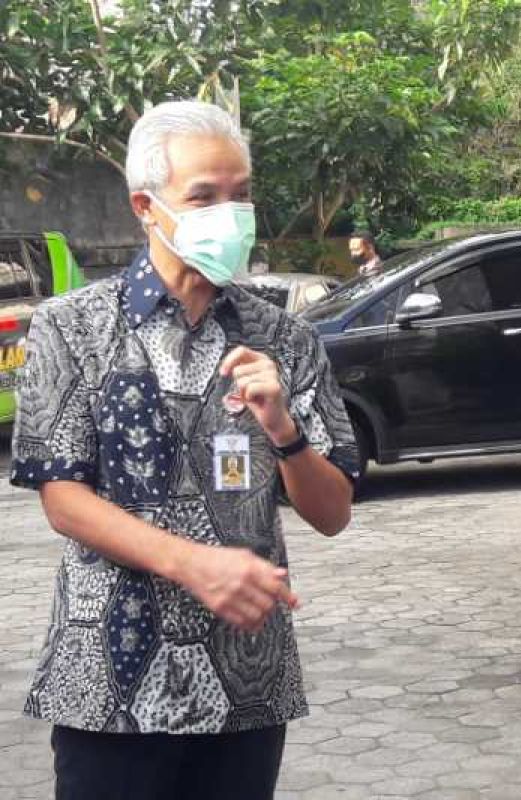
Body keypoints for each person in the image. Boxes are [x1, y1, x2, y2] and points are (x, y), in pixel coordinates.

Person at [10, 101, 360, 800]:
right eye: (203, 196)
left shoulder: (283, 337)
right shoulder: (70, 328)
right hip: (108, 677)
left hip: (246, 681)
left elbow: (332, 511)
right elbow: (63, 498)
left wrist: (284, 430)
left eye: (241, 195)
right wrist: (194, 564)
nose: (229, 214)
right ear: (147, 205)